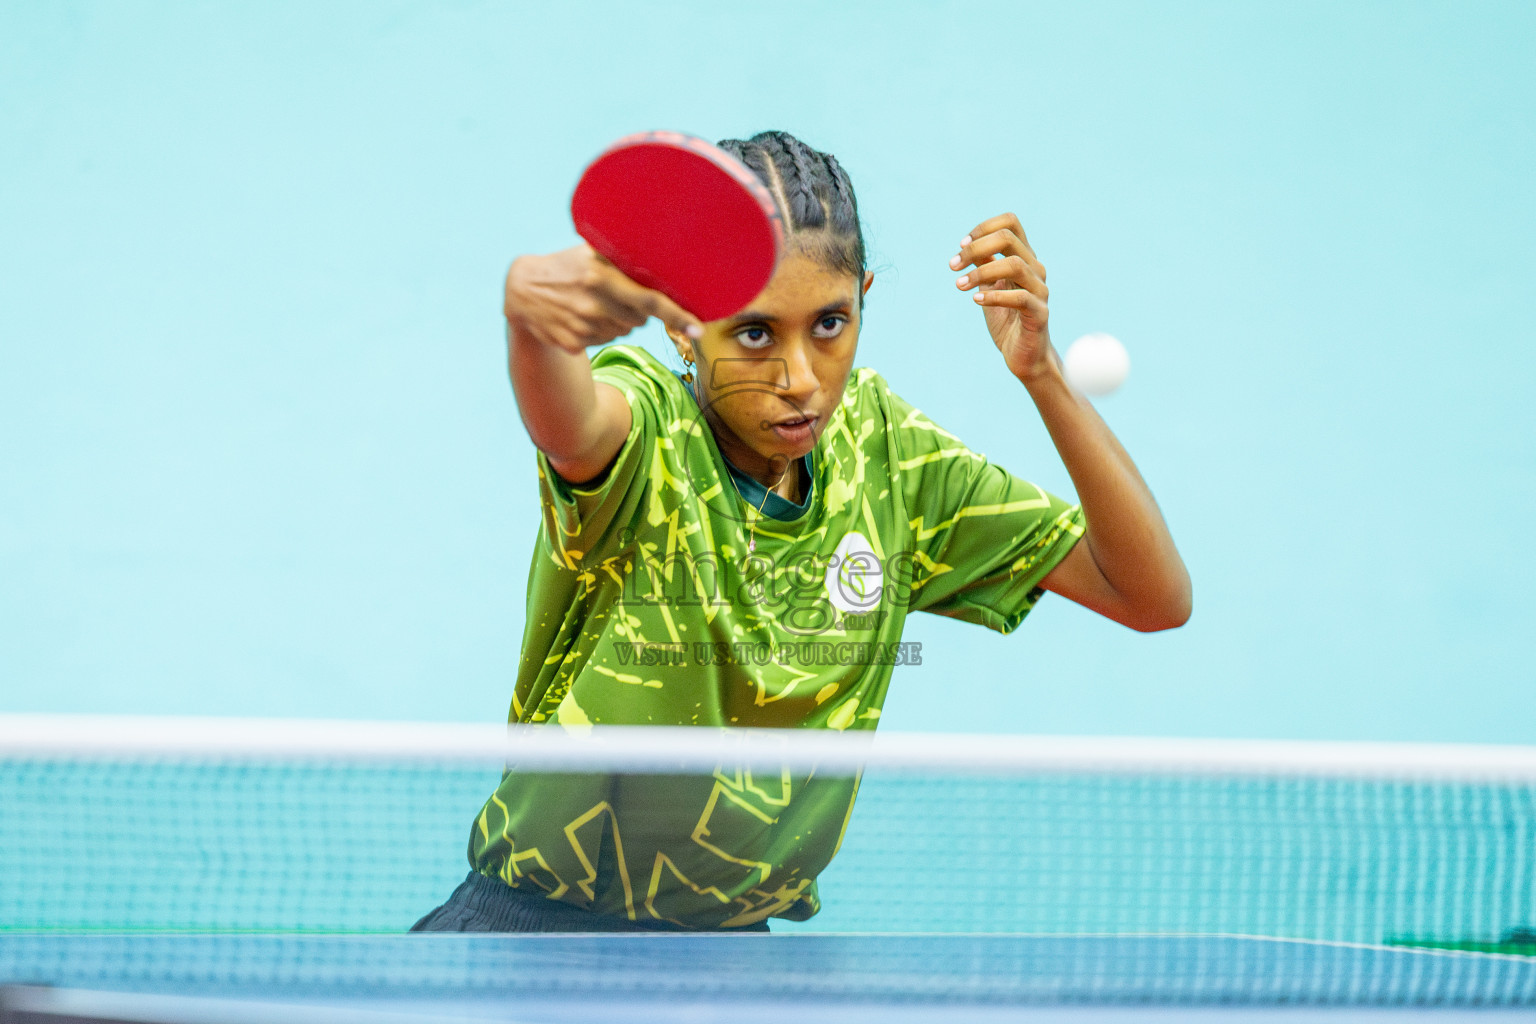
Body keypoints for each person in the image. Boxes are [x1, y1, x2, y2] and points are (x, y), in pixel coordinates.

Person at [411, 129, 1191, 934]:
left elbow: (1151, 596)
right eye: (755, 333)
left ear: (863, 299)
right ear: (683, 328)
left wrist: (1043, 373)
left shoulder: (891, 458)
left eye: (829, 324)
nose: (802, 380)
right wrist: (531, 324)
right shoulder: (649, 427)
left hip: (738, 963)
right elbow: (572, 427)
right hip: (537, 936)